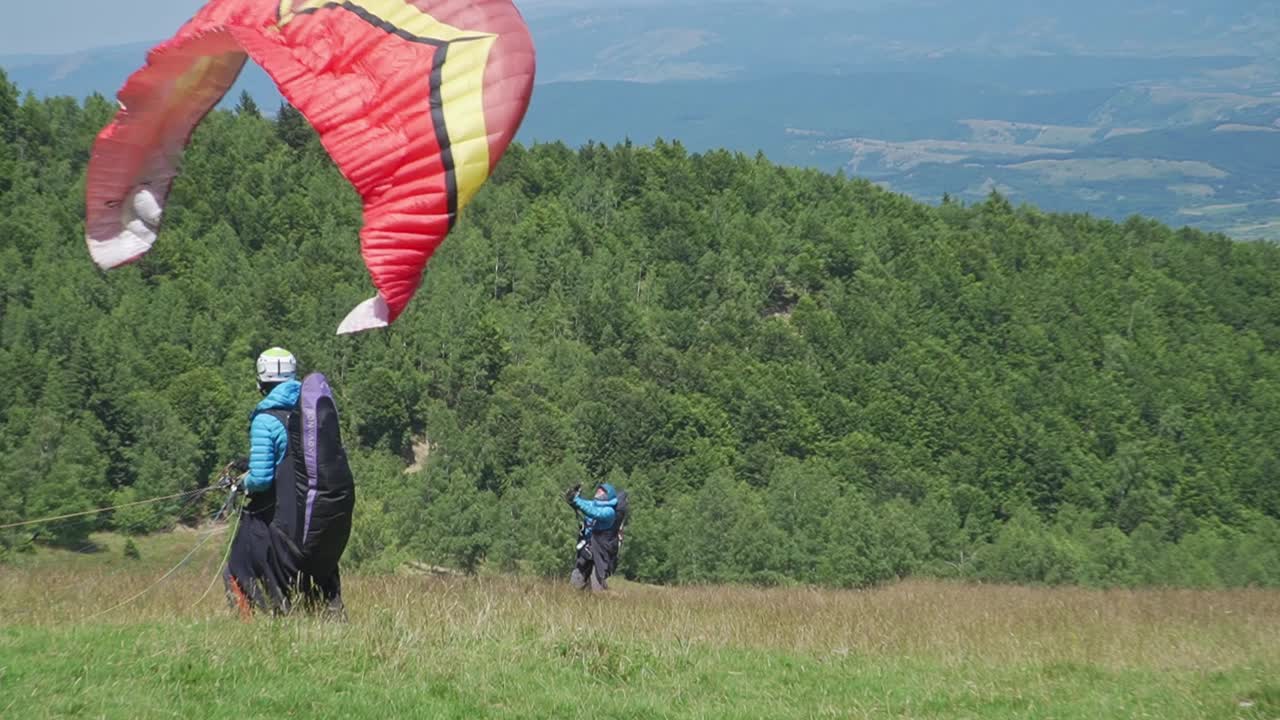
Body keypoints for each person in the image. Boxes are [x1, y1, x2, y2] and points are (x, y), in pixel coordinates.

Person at [224, 347, 348, 617]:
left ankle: (249, 630)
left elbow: (262, 478)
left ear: (262, 380)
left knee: (237, 564)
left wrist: (241, 484)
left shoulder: (266, 419)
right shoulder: (305, 413)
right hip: (312, 519)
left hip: (280, 524)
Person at [565, 483, 622, 592]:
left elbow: (593, 513)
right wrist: (574, 498)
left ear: (607, 495)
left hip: (601, 552)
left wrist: (577, 501)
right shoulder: (594, 504)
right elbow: (586, 504)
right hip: (587, 548)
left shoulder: (609, 512)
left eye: (601, 491)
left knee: (597, 586)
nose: (598, 492)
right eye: (598, 490)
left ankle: (608, 600)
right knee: (576, 582)